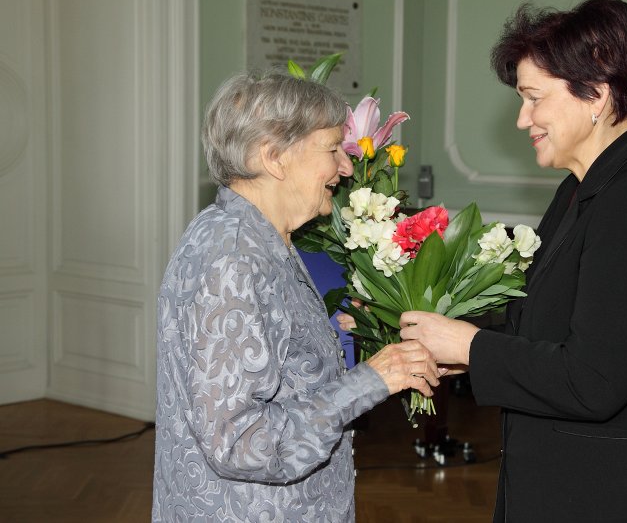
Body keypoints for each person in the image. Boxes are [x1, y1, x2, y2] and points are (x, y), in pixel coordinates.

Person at [397, 0, 627, 521]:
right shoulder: (579, 191)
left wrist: (471, 345)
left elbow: (591, 381)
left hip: (620, 497)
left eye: (533, 98)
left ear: (597, 93)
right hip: (569, 483)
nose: (523, 120)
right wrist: (456, 339)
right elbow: (543, 321)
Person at [152, 71, 439, 522]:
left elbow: (271, 363)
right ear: (274, 158)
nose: (345, 169)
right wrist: (370, 381)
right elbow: (241, 442)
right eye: (331, 150)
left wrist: (337, 335)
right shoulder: (232, 258)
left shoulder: (252, 235)